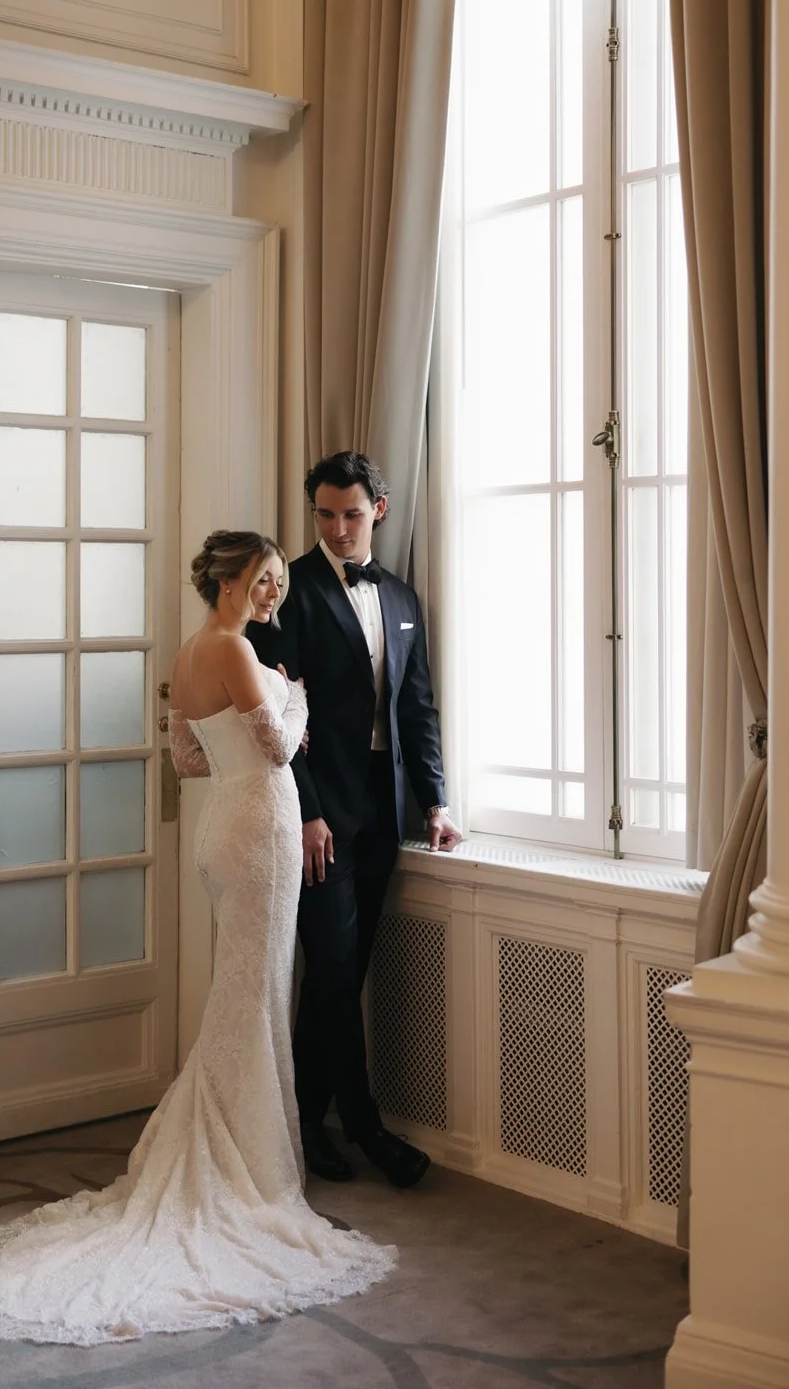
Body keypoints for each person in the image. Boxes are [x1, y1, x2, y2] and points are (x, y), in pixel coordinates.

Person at [0, 530, 395, 1345]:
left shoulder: (188, 653)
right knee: (254, 993)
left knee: (243, 990)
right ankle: (240, 1166)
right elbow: (277, 747)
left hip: (224, 828)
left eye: (278, 580)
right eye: (264, 579)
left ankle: (231, 1145)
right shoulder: (235, 650)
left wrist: (262, 721)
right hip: (259, 829)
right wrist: (295, 699)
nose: (275, 593)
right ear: (230, 582)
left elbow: (186, 760)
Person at [248, 452, 461, 1190]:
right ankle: (366, 1127)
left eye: (351, 514)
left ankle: (307, 1121)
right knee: (334, 966)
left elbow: (417, 708)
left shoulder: (400, 596)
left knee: (344, 972)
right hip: (319, 814)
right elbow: (275, 719)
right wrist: (306, 813)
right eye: (325, 515)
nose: (338, 529)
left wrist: (435, 801)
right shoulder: (288, 591)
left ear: (380, 510)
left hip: (383, 807)